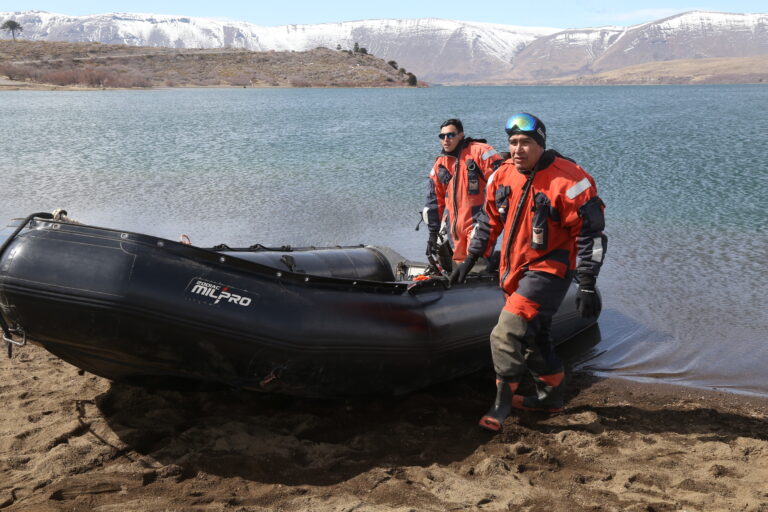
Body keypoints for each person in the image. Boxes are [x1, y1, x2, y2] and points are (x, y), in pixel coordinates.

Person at [450, 113, 607, 432]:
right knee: (535, 336)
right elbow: (489, 220)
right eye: (513, 142)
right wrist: (471, 256)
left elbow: (591, 235)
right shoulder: (502, 175)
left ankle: (502, 403)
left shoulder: (570, 179)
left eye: (526, 143)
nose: (518, 149)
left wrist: (587, 283)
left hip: (550, 271)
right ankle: (551, 397)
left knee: (505, 333)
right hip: (515, 270)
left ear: (541, 144)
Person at [424, 119, 503, 271]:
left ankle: (496, 265)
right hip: (453, 228)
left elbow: (503, 182)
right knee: (457, 267)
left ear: (461, 135)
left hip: (478, 223)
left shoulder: (480, 152)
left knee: (476, 267)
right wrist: (433, 234)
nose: (446, 139)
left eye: (450, 135)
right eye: (442, 136)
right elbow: (433, 201)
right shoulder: (441, 164)